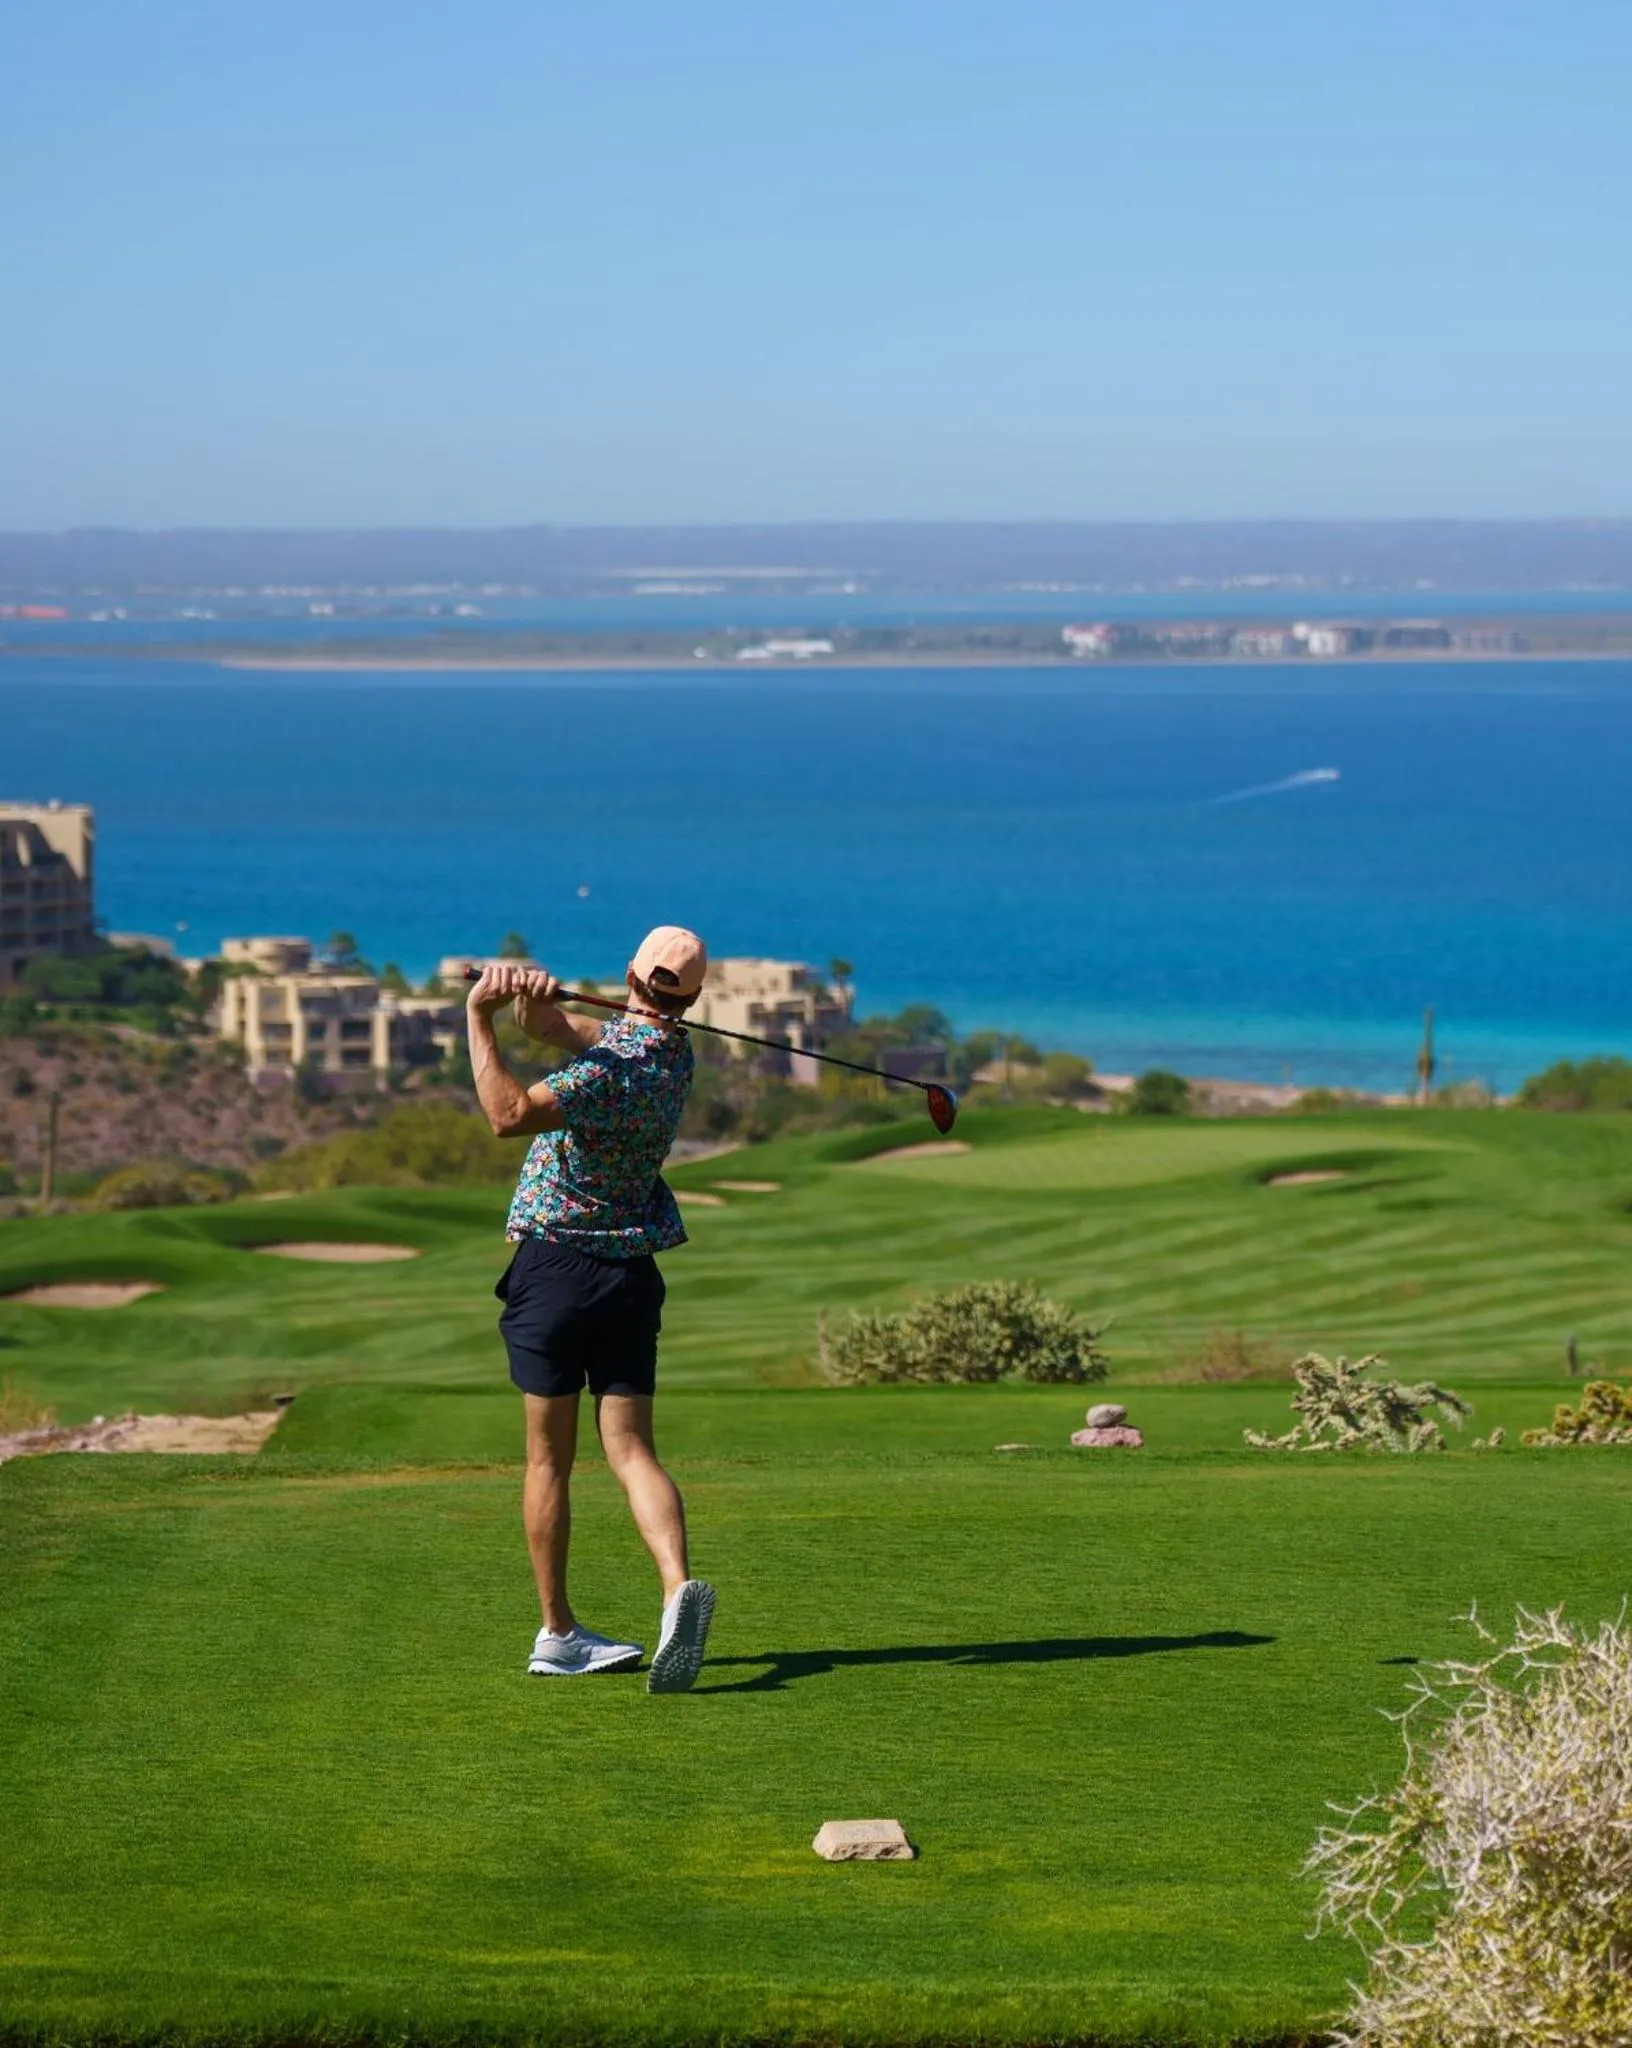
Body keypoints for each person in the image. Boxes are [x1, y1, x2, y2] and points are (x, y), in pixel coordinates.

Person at [465, 925, 716, 1692]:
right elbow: (565, 1031)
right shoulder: (672, 1054)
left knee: (549, 1460)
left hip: (556, 1269)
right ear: (692, 998)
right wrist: (532, 1004)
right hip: (630, 1274)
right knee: (632, 1450)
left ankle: (559, 1632)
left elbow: (508, 1113)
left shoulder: (602, 1074)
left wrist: (479, 1018)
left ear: (630, 973)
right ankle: (676, 1587)